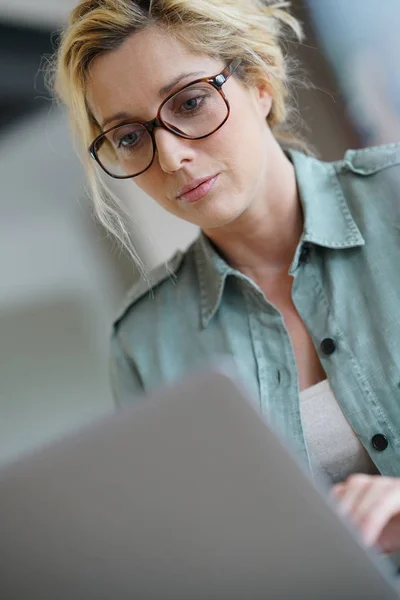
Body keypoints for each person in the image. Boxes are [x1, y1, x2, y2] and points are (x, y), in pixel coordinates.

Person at [52, 0, 400, 556]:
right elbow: (194, 554)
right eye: (130, 137)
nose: (169, 157)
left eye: (189, 102)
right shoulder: (144, 342)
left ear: (260, 84)